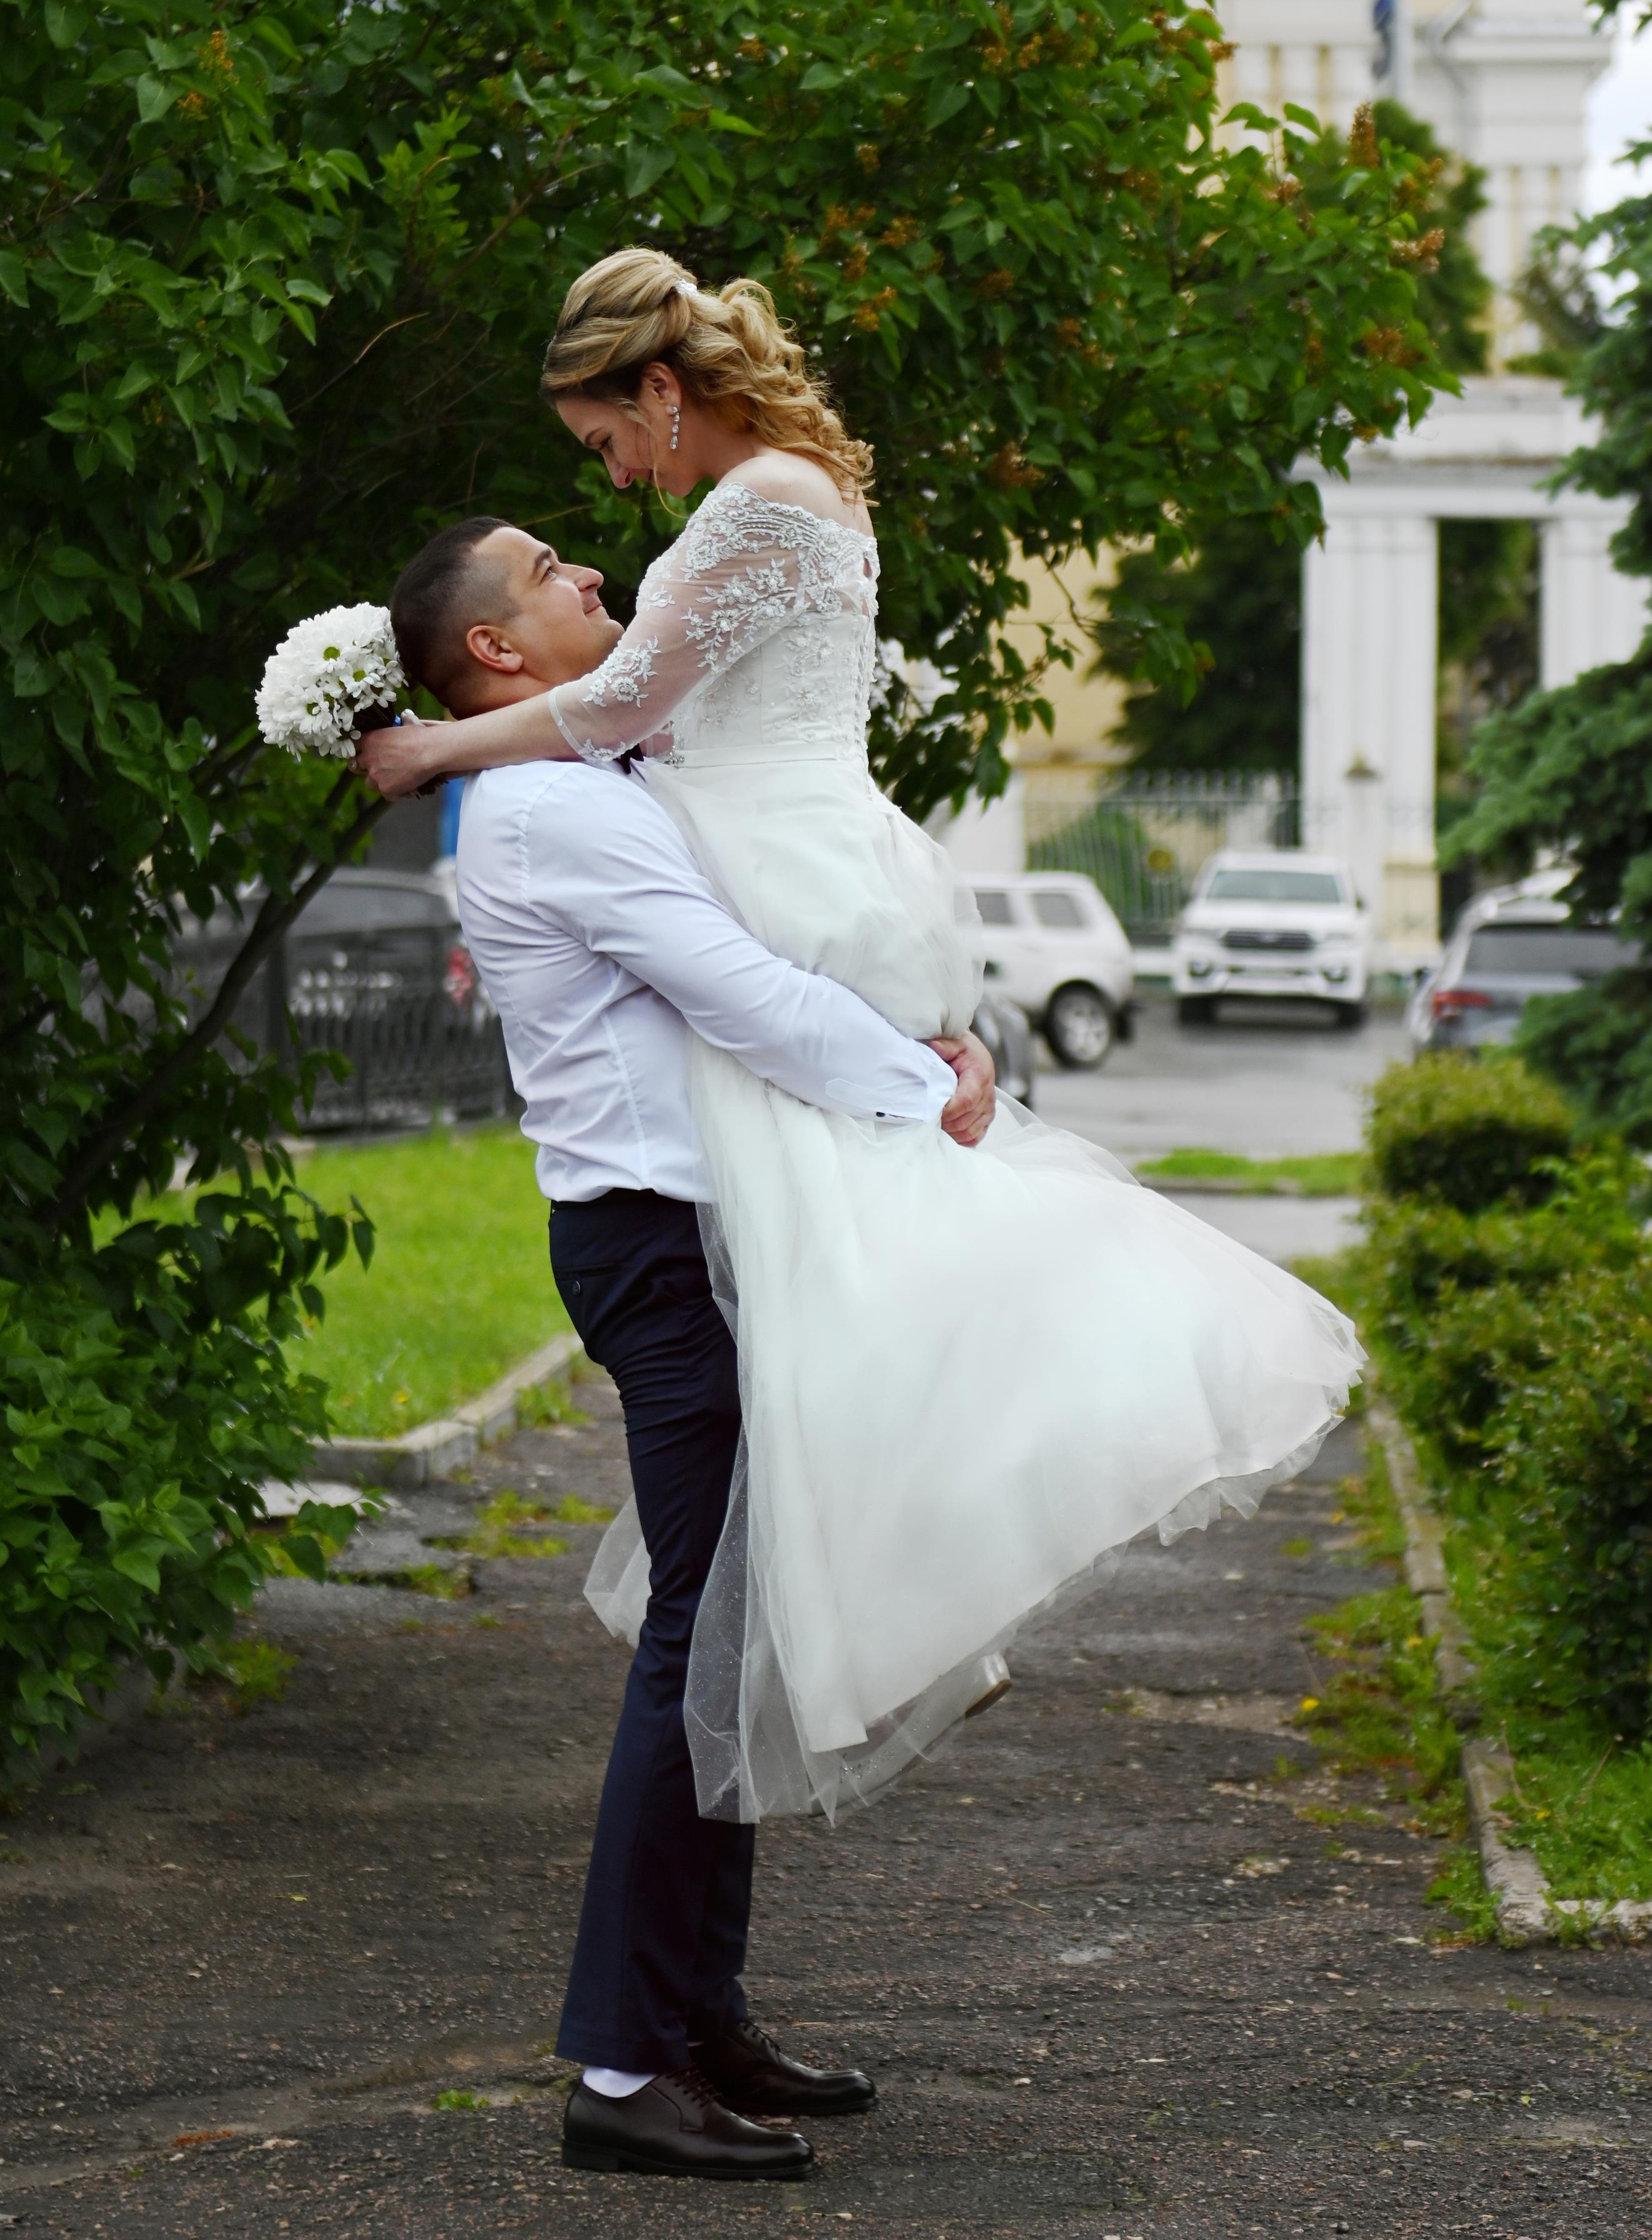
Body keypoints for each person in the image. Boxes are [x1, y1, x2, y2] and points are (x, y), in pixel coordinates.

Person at [359, 247, 1363, 1836]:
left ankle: (906, 1610)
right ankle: (905, 1614)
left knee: (860, 1274)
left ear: (661, 391)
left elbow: (618, 704)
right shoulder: (785, 490)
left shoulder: (749, 508)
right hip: (815, 858)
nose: (608, 478)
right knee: (853, 1283)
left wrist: (431, 749)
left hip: (782, 867)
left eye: (601, 440)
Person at [385, 511, 998, 2180]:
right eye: (548, 579)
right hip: (660, 1251)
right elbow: (733, 987)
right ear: (496, 654)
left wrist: (926, 1023)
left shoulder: (601, 772)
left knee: (735, 1629)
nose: (592, 573)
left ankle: (696, 2011)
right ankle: (618, 2071)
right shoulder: (542, 812)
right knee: (697, 1640)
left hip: (708, 1233)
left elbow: (788, 924)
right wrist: (916, 1091)